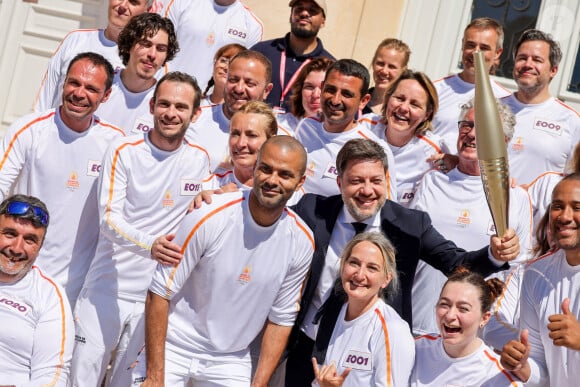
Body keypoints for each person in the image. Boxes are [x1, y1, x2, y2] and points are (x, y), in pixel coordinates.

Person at [284, 138, 520, 386]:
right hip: (306, 347)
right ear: (339, 182)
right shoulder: (312, 211)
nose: (367, 190)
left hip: (368, 357)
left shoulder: (409, 225)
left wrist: (494, 254)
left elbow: (458, 264)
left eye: (376, 180)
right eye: (356, 181)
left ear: (387, 180)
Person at [135, 136, 313, 387]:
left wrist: (259, 384)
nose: (273, 180)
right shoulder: (209, 213)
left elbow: (281, 319)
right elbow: (159, 292)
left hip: (230, 360)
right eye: (266, 169)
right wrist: (155, 377)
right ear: (255, 168)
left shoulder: (302, 240)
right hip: (172, 346)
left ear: (300, 182)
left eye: (285, 174)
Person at [71, 71, 210, 387]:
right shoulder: (124, 149)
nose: (170, 113)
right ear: (152, 106)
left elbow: (210, 208)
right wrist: (151, 245)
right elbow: (108, 219)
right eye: (164, 104)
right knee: (80, 381)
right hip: (105, 291)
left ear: (196, 113)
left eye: (180, 107)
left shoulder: (200, 160)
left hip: (155, 300)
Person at [0, 52, 124, 307]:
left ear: (106, 96)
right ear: (63, 83)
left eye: (91, 88)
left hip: (77, 287)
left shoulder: (116, 143)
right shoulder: (29, 129)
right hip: (19, 273)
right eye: (74, 83)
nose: (79, 93)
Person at [409, 98, 533, 336]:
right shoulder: (432, 181)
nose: (472, 134)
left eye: (485, 129)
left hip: (475, 334)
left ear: (504, 142)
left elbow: (518, 272)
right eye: (466, 125)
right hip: (418, 322)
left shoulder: (515, 197)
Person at [500, 173, 580, 386]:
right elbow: (542, 372)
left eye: (577, 207)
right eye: (557, 206)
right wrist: (522, 365)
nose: (565, 216)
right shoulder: (535, 274)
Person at [312, 232, 415, 386]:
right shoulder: (330, 315)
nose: (360, 275)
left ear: (386, 279)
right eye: (354, 263)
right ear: (342, 266)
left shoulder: (392, 329)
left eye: (372, 268)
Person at [294, 59, 397, 200]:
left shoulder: (376, 150)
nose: (335, 100)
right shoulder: (306, 127)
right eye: (331, 90)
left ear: (364, 101)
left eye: (346, 94)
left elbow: (386, 210)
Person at [0, 194, 74, 386]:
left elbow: (53, 375)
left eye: (30, 240)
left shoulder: (49, 295)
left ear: (40, 247)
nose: (17, 248)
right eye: (10, 234)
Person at [33, 0, 152, 111]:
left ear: (147, 10)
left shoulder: (144, 59)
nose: (122, 6)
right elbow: (44, 98)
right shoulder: (75, 39)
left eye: (133, 1)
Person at [411, 268, 521, 386]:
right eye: (444, 304)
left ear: (484, 318)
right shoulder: (415, 349)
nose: (450, 315)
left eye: (463, 308)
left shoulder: (497, 376)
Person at [359, 70, 446, 206]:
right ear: (388, 99)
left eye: (415, 104)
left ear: (427, 114)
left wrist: (452, 162)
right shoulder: (364, 127)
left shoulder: (434, 149)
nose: (404, 108)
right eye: (399, 98)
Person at [505, 29, 580, 185]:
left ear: (553, 70)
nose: (528, 64)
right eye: (522, 58)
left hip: (538, 209)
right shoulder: (490, 108)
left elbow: (574, 183)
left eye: (537, 60)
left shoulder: (571, 121)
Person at [432, 17, 511, 153]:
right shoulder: (434, 91)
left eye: (484, 47)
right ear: (462, 45)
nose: (476, 52)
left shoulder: (505, 100)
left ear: (498, 53)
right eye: (470, 45)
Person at [187, 50, 273, 172]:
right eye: (233, 80)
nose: (239, 89)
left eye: (250, 83)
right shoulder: (194, 121)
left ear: (267, 90)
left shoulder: (278, 135)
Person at [94, 12, 178, 135]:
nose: (152, 55)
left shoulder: (166, 104)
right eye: (145, 44)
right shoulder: (101, 84)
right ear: (129, 45)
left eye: (160, 49)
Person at [160, 0, 263, 90]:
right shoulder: (180, 3)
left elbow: (246, 72)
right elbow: (158, 48)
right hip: (169, 93)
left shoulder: (253, 26)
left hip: (213, 104)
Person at [252, 0, 334, 110]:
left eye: (312, 10)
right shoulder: (261, 51)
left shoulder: (330, 66)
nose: (304, 13)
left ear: (323, 21)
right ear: (291, 16)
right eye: (299, 9)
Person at [276, 56, 334, 135]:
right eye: (309, 87)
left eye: (323, 88)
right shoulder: (278, 125)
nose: (315, 95)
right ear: (300, 91)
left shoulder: (343, 137)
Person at [362, 38, 411, 116]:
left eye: (391, 66)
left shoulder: (402, 112)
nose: (384, 71)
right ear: (373, 63)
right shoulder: (357, 103)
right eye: (380, 63)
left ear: (403, 71)